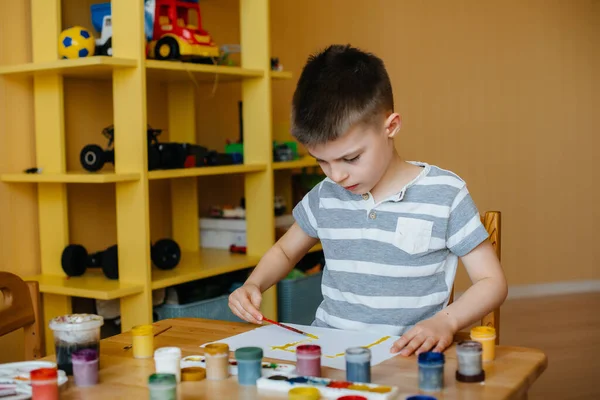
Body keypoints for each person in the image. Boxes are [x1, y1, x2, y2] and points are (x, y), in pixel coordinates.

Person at [228, 44, 507, 356]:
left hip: (406, 355)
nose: (336, 175)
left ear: (391, 127)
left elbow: (491, 281)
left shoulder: (444, 194)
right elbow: (284, 251)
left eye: (351, 158)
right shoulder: (325, 195)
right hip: (328, 351)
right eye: (322, 161)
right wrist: (253, 284)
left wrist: (447, 321)